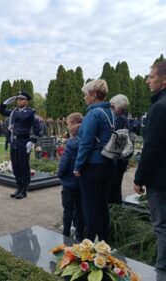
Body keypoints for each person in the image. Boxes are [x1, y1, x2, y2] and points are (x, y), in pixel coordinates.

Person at [73, 79, 115, 241]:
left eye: (86, 95)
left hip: (93, 166)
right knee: (102, 205)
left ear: (93, 95)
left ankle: (89, 246)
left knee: (90, 207)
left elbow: (86, 143)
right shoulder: (109, 112)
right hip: (107, 163)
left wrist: (78, 166)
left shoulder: (93, 114)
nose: (84, 98)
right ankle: (104, 242)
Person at [134, 61, 166, 271]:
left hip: (161, 181)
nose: (147, 81)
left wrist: (139, 178)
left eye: (151, 76)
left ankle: (162, 268)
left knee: (162, 227)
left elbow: (152, 148)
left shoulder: (159, 108)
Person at [0, 91, 41, 199]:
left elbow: (37, 128)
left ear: (26, 101)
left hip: (24, 142)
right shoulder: (13, 111)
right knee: (16, 165)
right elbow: (1, 111)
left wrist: (32, 141)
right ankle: (18, 187)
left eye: (21, 99)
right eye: (18, 99)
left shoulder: (31, 112)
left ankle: (24, 189)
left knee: (23, 166)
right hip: (14, 141)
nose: (19, 101)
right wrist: (5, 102)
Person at [57, 112, 84, 241]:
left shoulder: (70, 145)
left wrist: (60, 174)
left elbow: (63, 165)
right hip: (81, 183)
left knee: (67, 210)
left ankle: (66, 234)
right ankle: (80, 235)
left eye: (68, 124)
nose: (67, 127)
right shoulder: (86, 142)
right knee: (79, 210)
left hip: (68, 183)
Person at [108, 94, 130, 204]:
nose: (110, 109)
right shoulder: (122, 118)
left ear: (118, 107)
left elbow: (117, 144)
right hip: (120, 159)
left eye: (112, 106)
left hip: (118, 160)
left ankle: (114, 208)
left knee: (114, 187)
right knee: (115, 186)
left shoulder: (121, 120)